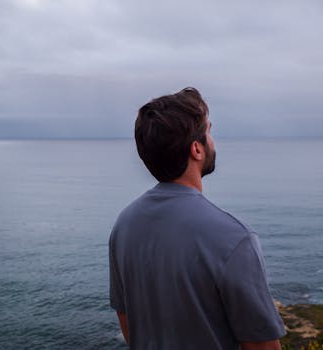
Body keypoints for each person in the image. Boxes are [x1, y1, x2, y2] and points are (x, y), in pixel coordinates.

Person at [109, 87, 286, 349]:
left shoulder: (123, 225)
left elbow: (128, 325)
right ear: (197, 149)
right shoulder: (234, 238)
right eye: (209, 131)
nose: (212, 141)